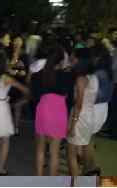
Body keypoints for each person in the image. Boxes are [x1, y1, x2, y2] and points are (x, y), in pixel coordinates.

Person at [67, 48, 109, 177]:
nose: (72, 60)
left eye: (74, 58)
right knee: (79, 148)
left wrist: (72, 125)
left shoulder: (81, 79)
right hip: (89, 115)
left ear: (79, 60)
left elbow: (78, 105)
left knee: (71, 155)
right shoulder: (93, 77)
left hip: (80, 117)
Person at [31, 46, 73, 176]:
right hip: (59, 110)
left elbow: (34, 95)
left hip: (43, 108)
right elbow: (70, 98)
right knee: (54, 153)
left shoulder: (39, 74)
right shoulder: (67, 75)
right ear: (61, 61)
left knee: (40, 149)